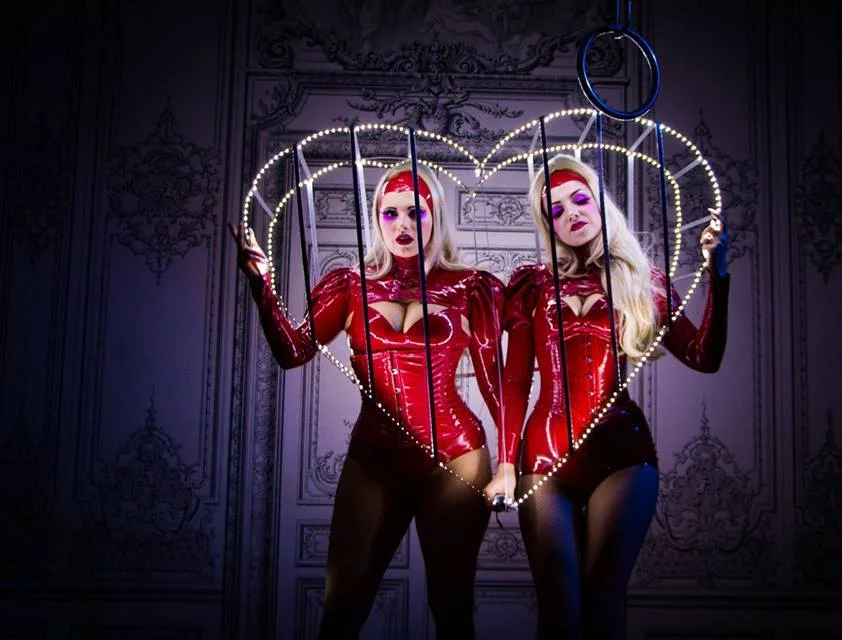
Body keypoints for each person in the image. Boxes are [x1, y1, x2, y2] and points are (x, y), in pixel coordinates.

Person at [231, 162, 504, 639]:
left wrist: (512, 464)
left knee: (452, 608)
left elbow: (494, 383)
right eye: (390, 212)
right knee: (342, 607)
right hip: (374, 460)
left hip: (457, 460)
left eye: (415, 212)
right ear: (376, 218)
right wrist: (262, 285)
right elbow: (292, 352)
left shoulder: (471, 287)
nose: (402, 224)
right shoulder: (349, 285)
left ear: (436, 215)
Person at [483, 154, 730, 639]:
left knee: (602, 609)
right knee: (558, 610)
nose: (571, 213)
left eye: (580, 199)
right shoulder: (532, 286)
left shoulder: (643, 281)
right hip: (544, 458)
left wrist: (718, 277)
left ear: (600, 203)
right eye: (555, 210)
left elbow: (704, 357)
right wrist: (506, 465)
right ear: (548, 225)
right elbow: (516, 379)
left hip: (623, 458)